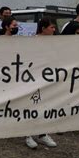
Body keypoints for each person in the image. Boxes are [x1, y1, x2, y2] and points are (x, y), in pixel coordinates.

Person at [23, 18, 58, 149]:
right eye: (51, 27)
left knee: (45, 106)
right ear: (43, 28)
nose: (54, 30)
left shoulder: (56, 42)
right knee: (32, 106)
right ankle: (28, 135)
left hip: (48, 78)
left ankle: (43, 134)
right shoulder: (33, 41)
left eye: (54, 28)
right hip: (34, 78)